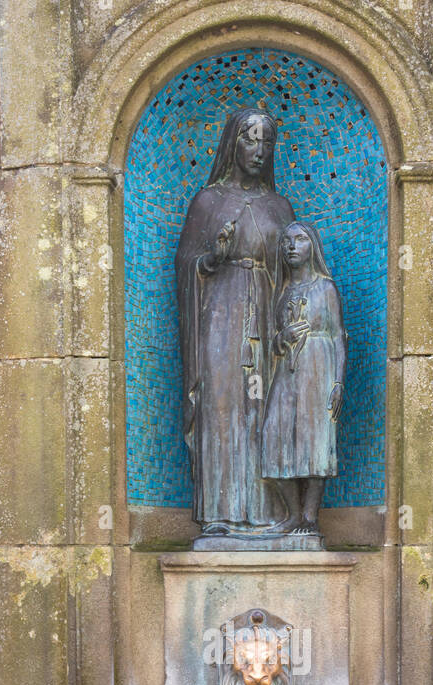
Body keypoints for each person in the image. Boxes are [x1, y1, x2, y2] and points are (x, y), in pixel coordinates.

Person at [175, 108, 295, 538]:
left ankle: (268, 513)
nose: (259, 150)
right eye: (251, 139)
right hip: (220, 316)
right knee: (222, 404)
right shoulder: (208, 202)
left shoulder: (280, 207)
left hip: (266, 311)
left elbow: (297, 266)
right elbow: (185, 264)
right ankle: (220, 513)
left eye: (267, 142)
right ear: (233, 143)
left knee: (264, 405)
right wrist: (211, 259)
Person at [260, 221, 347, 536]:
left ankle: (310, 517)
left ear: (313, 247)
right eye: (286, 241)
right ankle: (293, 515)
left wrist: (338, 382)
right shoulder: (282, 291)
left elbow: (338, 336)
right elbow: (272, 343)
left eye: (299, 240)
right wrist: (281, 338)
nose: (291, 246)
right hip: (287, 372)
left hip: (318, 369)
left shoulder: (325, 288)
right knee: (274, 435)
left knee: (315, 440)